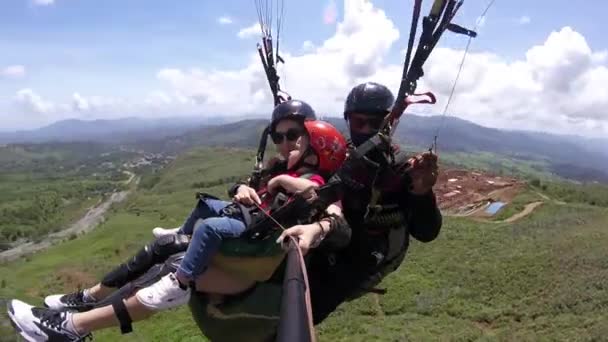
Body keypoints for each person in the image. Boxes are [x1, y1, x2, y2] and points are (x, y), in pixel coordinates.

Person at [6, 120, 349, 341]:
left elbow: (330, 207)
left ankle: (71, 326)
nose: (286, 145)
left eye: (295, 140)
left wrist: (316, 223)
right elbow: (248, 188)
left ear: (316, 152)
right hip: (243, 246)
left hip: (249, 262)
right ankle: (76, 310)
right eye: (281, 137)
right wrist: (246, 188)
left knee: (168, 269)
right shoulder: (278, 169)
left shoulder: (318, 185)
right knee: (163, 251)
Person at [278, 81, 443, 324]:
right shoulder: (342, 156)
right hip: (332, 236)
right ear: (349, 122)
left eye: (374, 123)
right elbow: (316, 183)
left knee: (301, 312)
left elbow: (427, 232)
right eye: (358, 122)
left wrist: (421, 193)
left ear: (389, 122)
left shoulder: (401, 170)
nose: (366, 129)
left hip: (366, 255)